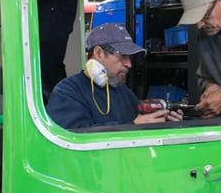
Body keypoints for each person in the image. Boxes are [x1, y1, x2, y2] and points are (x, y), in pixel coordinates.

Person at [47, 24, 183, 129]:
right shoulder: (68, 91)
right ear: (99, 53)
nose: (129, 64)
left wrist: (162, 122)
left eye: (130, 57)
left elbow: (140, 122)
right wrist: (133, 126)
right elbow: (74, 137)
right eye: (122, 55)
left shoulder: (124, 92)